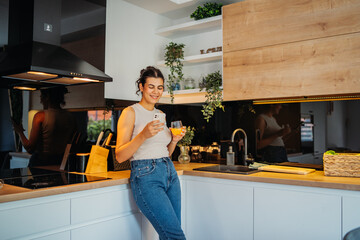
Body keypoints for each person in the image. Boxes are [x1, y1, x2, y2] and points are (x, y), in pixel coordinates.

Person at [115, 66, 186, 240]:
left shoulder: (160, 114)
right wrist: (143, 135)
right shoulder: (130, 112)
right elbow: (120, 156)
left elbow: (165, 153)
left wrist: (174, 141)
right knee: (175, 236)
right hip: (147, 176)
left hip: (169, 172)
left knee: (170, 233)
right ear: (141, 87)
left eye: (160, 87)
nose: (156, 91)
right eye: (151, 86)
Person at [12, 86, 76, 166]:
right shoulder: (70, 117)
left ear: (47, 97)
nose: (40, 101)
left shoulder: (40, 116)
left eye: (41, 96)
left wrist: (19, 131)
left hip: (41, 163)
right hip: (60, 163)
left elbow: (30, 148)